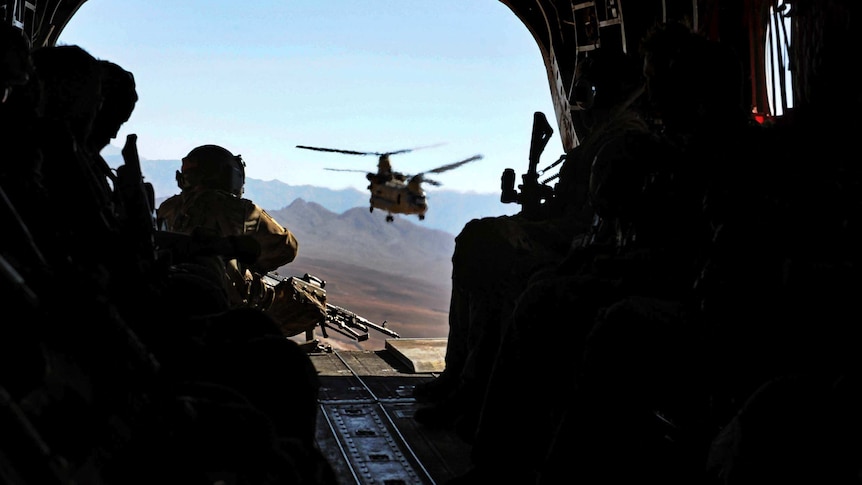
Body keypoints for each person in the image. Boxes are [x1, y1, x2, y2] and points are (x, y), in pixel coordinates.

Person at [156, 144, 299, 310]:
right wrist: (250, 266)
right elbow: (287, 247)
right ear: (229, 176)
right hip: (215, 304)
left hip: (165, 295)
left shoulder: (168, 207)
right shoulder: (238, 209)